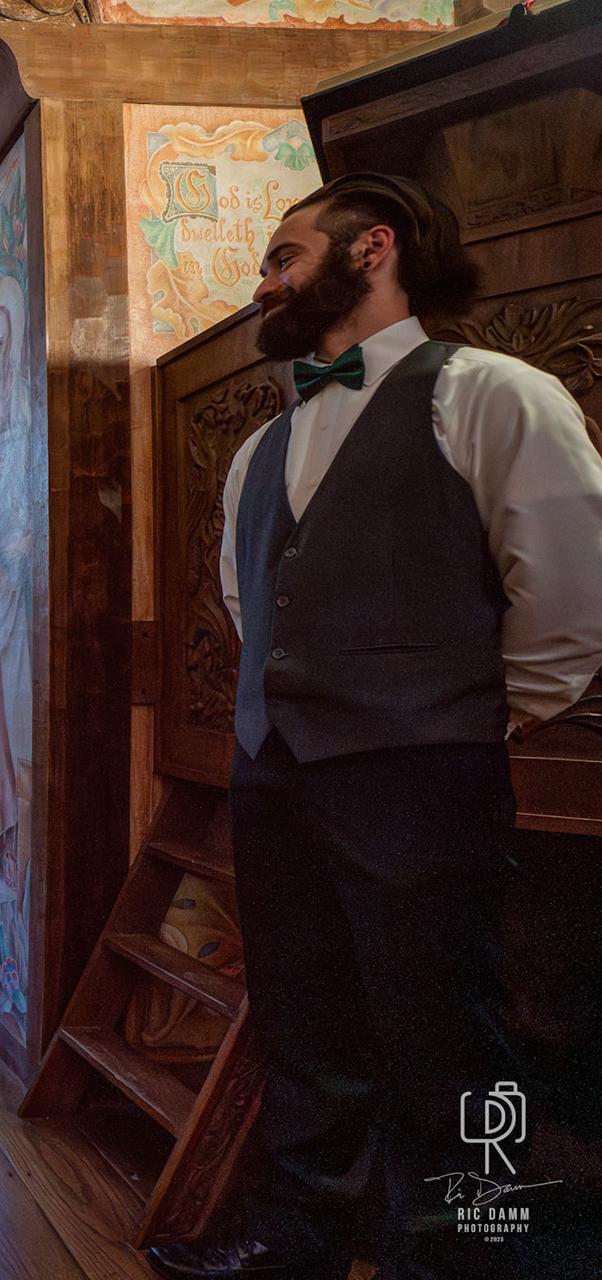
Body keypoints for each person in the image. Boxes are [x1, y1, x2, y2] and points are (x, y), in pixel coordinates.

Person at [146, 174, 602, 1280]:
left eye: (283, 256)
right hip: (277, 770)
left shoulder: (491, 392)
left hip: (423, 772)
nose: (264, 284)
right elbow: (250, 602)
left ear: (372, 246)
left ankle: (463, 1257)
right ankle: (294, 1241)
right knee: (303, 1018)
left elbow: (573, 587)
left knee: (447, 1032)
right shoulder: (260, 447)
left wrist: (469, 718)